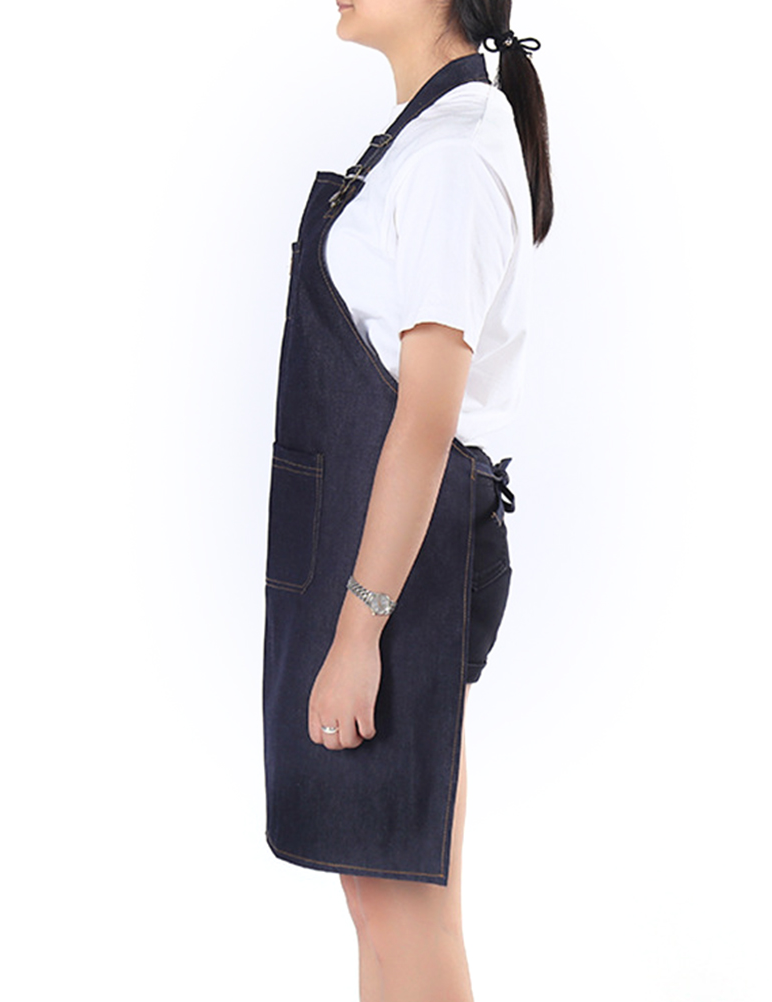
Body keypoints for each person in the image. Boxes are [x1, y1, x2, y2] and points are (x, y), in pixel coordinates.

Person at [262, 1, 553, 999]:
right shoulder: (424, 141)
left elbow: (427, 415)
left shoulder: (451, 157)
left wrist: (361, 631)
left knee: (399, 909)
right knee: (385, 902)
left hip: (405, 566)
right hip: (381, 546)